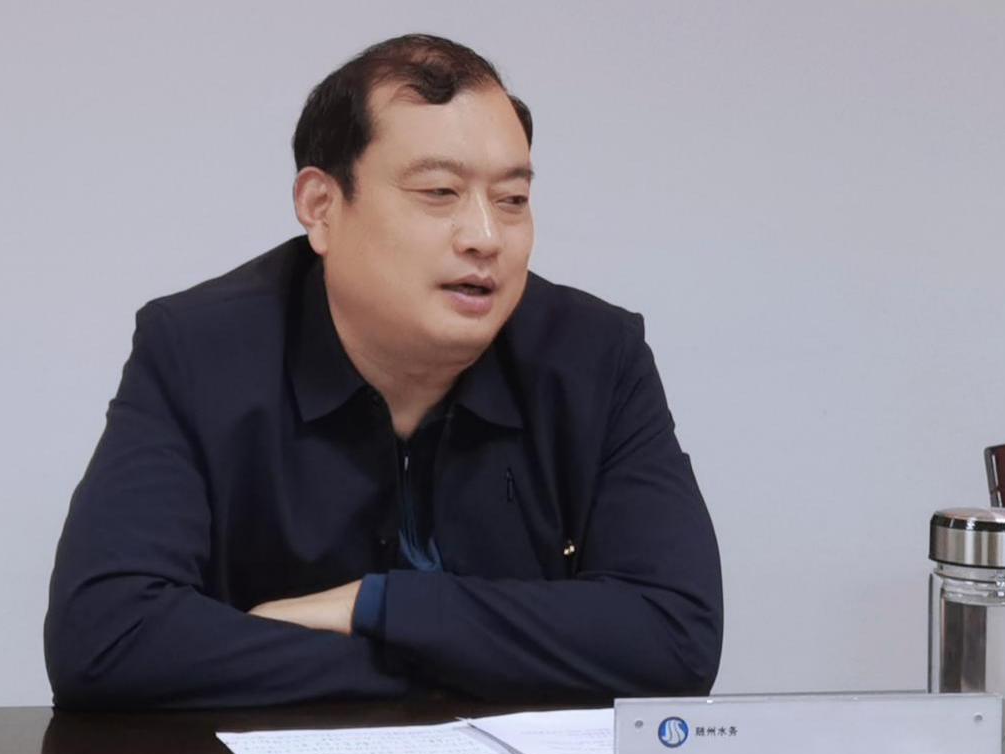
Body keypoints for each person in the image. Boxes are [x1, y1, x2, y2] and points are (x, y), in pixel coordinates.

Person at [45, 34, 722, 708]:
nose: (486, 237)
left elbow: (676, 637)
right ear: (321, 207)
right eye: (439, 192)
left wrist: (378, 607)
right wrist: (462, 660)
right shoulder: (199, 352)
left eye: (512, 199)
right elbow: (105, 639)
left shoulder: (595, 357)